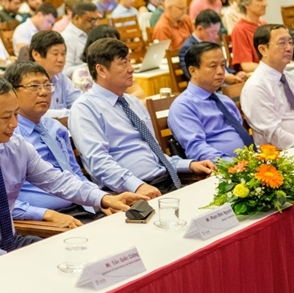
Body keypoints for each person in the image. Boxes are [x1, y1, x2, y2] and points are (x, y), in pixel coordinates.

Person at [0, 75, 144, 261]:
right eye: (6, 117)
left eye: (16, 114)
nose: (15, 124)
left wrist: (103, 198)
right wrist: (0, 257)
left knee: (72, 260)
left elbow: (57, 181)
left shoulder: (15, 147)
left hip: (10, 242)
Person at [69, 38, 214, 197]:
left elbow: (156, 155)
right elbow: (99, 163)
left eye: (130, 61)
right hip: (130, 193)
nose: (131, 69)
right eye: (123, 63)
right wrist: (137, 186)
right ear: (101, 70)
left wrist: (190, 165)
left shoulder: (133, 102)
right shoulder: (84, 109)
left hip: (166, 180)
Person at [4, 62, 100, 226]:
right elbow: (4, 200)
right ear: (12, 93)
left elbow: (74, 172)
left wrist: (100, 198)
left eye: (47, 85)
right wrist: (44, 215)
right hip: (46, 220)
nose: (43, 92)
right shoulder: (9, 137)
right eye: (34, 86)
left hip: (82, 206)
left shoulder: (55, 128)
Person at [168, 42, 254, 161]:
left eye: (223, 65)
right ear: (193, 71)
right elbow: (196, 149)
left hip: (250, 161)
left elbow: (240, 134)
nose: (220, 71)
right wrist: (233, 164)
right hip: (223, 170)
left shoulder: (225, 101)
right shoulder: (183, 107)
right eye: (213, 66)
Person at [69, 25, 145, 100]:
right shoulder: (82, 74)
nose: (131, 69)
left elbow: (139, 93)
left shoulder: (121, 68)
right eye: (109, 44)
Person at [179, 10, 246, 84]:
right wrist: (224, 78)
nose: (216, 36)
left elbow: (222, 66)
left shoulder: (212, 42)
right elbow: (192, 75)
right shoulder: (187, 48)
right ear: (200, 29)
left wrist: (235, 74)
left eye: (217, 32)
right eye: (213, 32)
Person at [29, 31, 81, 117]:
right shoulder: (27, 82)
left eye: (63, 54)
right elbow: (40, 115)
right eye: (55, 54)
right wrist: (71, 114)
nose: (61, 59)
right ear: (36, 54)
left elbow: (79, 103)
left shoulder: (61, 77)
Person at [231, 0, 268, 72]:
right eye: (260, 0)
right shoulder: (240, 29)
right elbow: (246, 66)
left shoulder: (264, 24)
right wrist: (273, 68)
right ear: (247, 4)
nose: (265, 4)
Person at [61, 1, 101, 76]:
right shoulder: (66, 38)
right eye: (91, 20)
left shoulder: (91, 33)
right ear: (77, 18)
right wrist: (90, 66)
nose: (95, 24)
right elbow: (65, 71)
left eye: (96, 20)